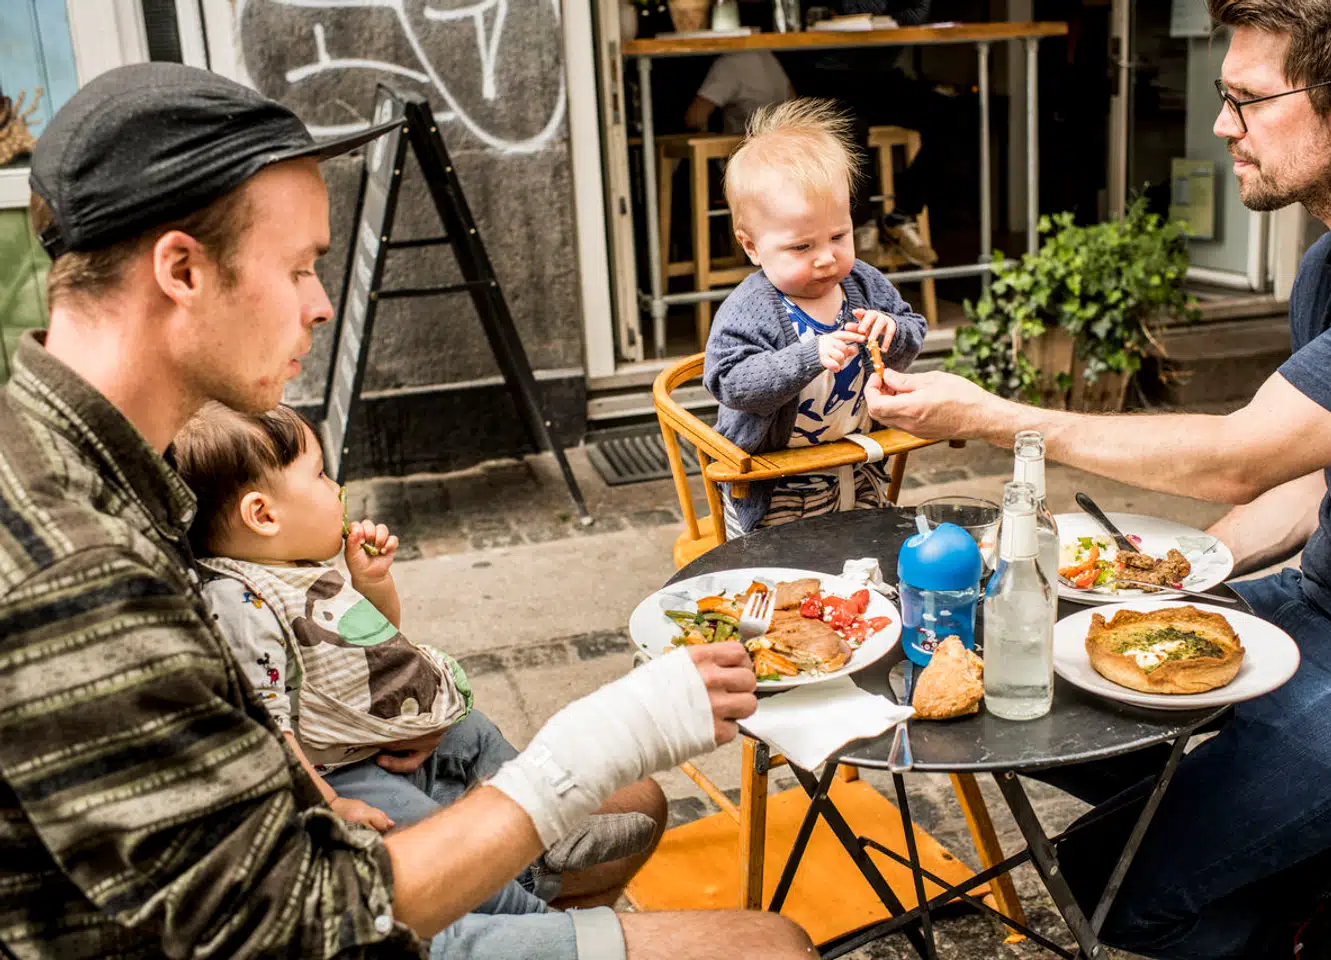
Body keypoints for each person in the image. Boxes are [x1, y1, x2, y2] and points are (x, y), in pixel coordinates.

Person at [0, 61, 814, 960]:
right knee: (768, 945)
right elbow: (303, 930)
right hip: (318, 927)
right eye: (301, 268)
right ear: (182, 270)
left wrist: (308, 791)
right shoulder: (74, 565)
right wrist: (593, 744)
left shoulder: (80, 458)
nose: (319, 307)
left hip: (295, 857)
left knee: (638, 810)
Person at [863, 1, 1331, 956]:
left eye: (1249, 100)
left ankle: (1300, 915)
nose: (1221, 126)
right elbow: (1308, 476)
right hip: (1323, 599)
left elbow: (1242, 451)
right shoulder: (1330, 260)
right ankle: (1308, 860)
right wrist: (1184, 571)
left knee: (1108, 883)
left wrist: (997, 418)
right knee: (1037, 689)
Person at [173, 401, 662, 914]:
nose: (334, 488)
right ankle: (520, 897)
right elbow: (270, 729)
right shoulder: (242, 602)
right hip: (338, 773)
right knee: (428, 840)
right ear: (263, 514)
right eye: (318, 475)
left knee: (475, 733)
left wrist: (371, 581)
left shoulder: (293, 566)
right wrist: (331, 803)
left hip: (366, 740)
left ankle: (549, 825)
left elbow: (376, 639)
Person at [704, 98, 927, 538]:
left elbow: (912, 330)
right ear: (752, 247)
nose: (827, 258)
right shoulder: (753, 306)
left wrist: (894, 332)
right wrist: (808, 357)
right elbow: (729, 381)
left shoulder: (863, 283)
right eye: (802, 247)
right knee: (781, 577)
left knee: (863, 558)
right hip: (774, 479)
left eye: (839, 236)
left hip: (856, 461)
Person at [786, 0, 965, 266]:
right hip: (825, 76)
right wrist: (881, 10)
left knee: (952, 117)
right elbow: (849, 10)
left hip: (880, 77)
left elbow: (916, 12)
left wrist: (873, 12)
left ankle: (901, 215)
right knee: (850, 127)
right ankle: (863, 224)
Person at [685, 51, 793, 134]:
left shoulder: (730, 63)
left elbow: (695, 118)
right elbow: (794, 102)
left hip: (745, 153)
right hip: (782, 150)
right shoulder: (767, 56)